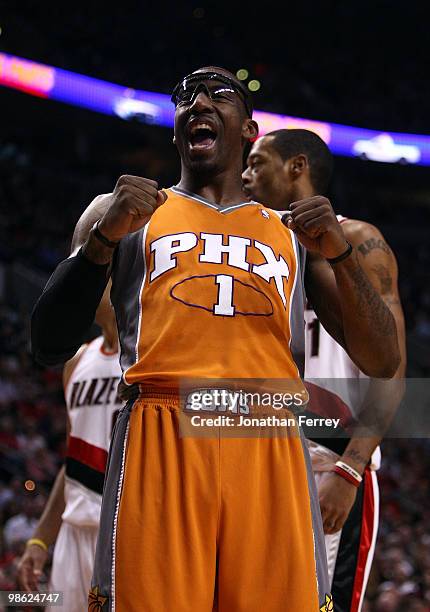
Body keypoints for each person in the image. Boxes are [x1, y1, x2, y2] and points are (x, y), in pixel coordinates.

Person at [31, 67, 400, 611]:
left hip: (268, 431)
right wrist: (101, 242)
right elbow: (48, 342)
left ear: (248, 129)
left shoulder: (293, 232)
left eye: (216, 93)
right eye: (185, 96)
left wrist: (340, 255)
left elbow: (384, 359)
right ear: (177, 128)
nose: (197, 101)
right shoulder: (125, 213)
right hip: (162, 427)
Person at [242, 128, 406, 611]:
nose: (245, 175)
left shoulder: (357, 239)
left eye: (257, 162)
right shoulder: (252, 247)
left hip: (327, 457)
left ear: (297, 167)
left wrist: (351, 468)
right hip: (256, 451)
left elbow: (392, 369)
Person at [18, 286, 122, 611]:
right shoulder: (77, 361)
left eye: (99, 274)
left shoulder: (152, 356)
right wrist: (40, 539)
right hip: (72, 532)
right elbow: (72, 460)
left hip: (125, 532)